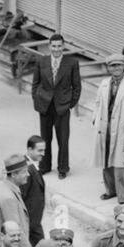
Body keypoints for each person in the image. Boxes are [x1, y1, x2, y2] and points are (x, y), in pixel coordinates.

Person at [92, 54, 124, 206]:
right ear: (108, 68)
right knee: (106, 161)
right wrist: (96, 119)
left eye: (119, 65)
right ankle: (110, 190)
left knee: (119, 163)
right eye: (113, 66)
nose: (116, 68)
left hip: (121, 127)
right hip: (105, 126)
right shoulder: (104, 83)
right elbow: (98, 103)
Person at [31, 34, 80, 180]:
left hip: (62, 107)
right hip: (45, 106)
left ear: (63, 46)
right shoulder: (41, 61)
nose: (56, 49)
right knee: (45, 139)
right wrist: (37, 99)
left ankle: (63, 168)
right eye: (54, 46)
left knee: (63, 139)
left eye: (59, 46)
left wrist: (70, 104)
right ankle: (44, 166)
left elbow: (77, 86)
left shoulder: (71, 63)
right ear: (49, 46)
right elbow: (35, 83)